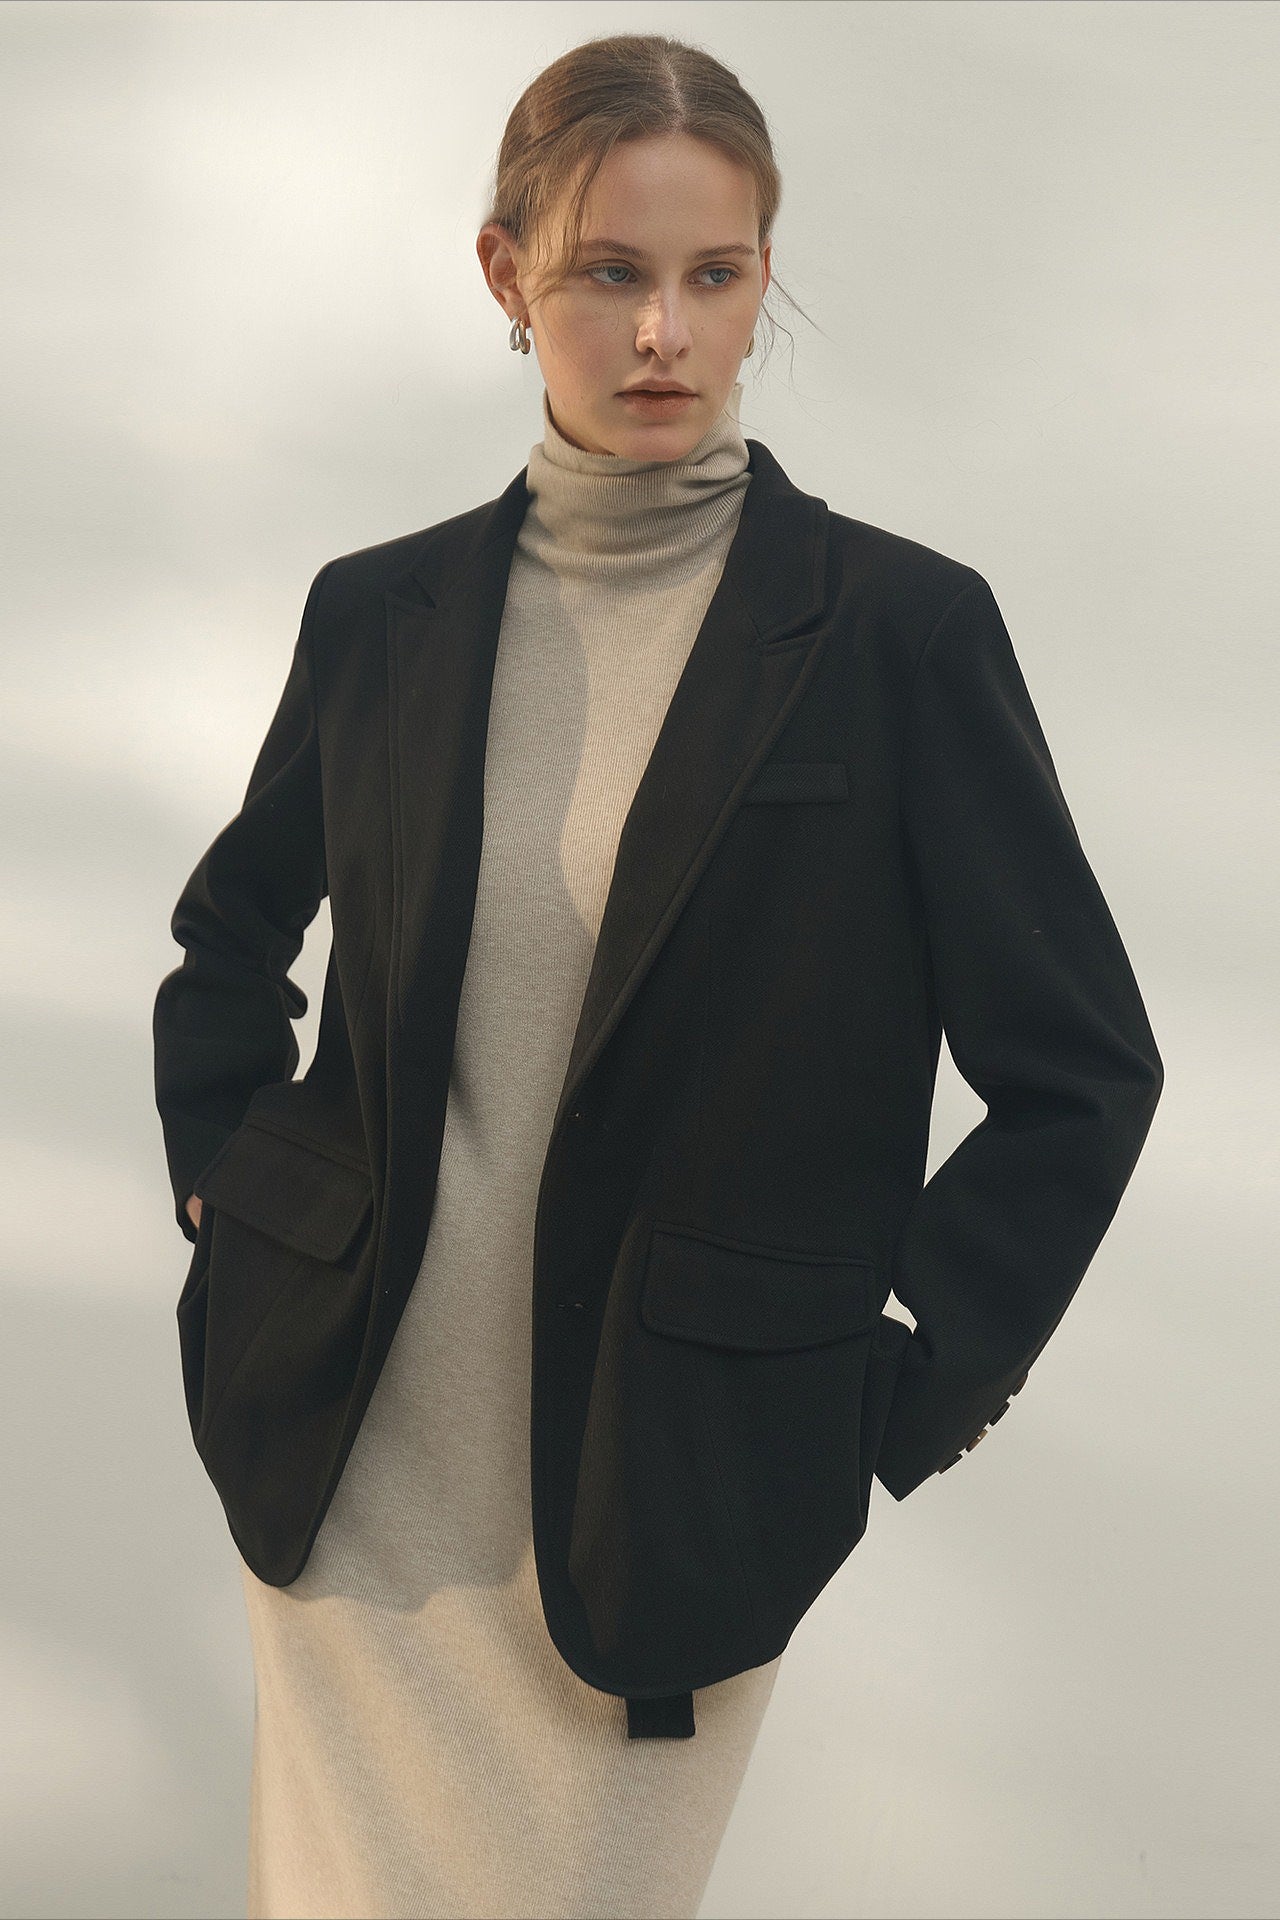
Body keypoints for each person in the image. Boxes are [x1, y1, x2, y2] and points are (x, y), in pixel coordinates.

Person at [153, 30, 1163, 1920]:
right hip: (354, 1454)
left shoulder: (895, 634)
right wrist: (230, 1192)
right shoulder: (381, 615)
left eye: (716, 275)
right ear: (506, 272)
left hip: (680, 1486)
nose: (662, 335)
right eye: (610, 270)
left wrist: (895, 1387)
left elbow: (1083, 1072)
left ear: (766, 276)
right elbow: (229, 941)